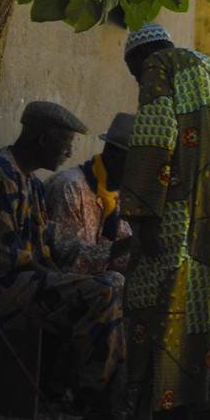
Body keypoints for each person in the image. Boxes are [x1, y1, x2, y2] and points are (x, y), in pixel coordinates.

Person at [85, 24, 210, 420]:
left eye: (133, 73)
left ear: (139, 59)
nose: (138, 82)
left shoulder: (158, 66)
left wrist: (144, 217)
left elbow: (154, 141)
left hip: (172, 219)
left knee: (150, 315)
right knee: (196, 319)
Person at [0, 101, 125, 420]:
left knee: (107, 286)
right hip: (0, 287)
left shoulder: (33, 183)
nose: (69, 152)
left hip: (27, 282)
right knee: (101, 291)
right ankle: (95, 401)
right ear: (43, 139)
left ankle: (107, 396)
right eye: (67, 142)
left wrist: (65, 280)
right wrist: (66, 281)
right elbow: (10, 257)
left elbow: (44, 254)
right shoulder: (1, 174)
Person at [45, 112, 134, 292]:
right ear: (114, 155)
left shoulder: (112, 194)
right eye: (137, 165)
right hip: (54, 281)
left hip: (87, 283)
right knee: (114, 283)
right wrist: (132, 242)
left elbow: (120, 257)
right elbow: (69, 260)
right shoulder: (70, 186)